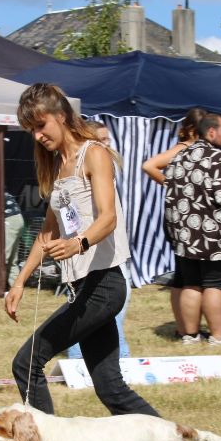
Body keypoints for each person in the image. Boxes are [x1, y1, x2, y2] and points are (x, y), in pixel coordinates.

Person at [0, 83, 163, 441]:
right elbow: (47, 232)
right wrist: (19, 282)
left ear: (61, 115)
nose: (38, 136)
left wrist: (80, 242)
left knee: (27, 362)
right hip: (84, 288)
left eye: (40, 125)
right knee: (111, 389)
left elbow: (107, 217)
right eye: (31, 130)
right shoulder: (58, 167)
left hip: (105, 286)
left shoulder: (95, 155)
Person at [170, 113, 221, 345]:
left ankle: (190, 335)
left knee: (191, 284)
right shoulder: (217, 159)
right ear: (212, 132)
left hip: (185, 234)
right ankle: (218, 336)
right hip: (211, 235)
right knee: (216, 284)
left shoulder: (180, 156)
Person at [67, 120, 131, 359]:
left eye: (107, 140)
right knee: (84, 312)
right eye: (100, 140)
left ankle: (114, 359)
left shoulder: (106, 167)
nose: (106, 145)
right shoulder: (80, 171)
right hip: (88, 254)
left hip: (110, 253)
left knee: (110, 312)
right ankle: (80, 360)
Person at [142, 107, 207, 339]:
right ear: (190, 130)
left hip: (180, 218)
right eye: (201, 131)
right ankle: (188, 329)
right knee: (189, 277)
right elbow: (148, 165)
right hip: (184, 220)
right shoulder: (183, 149)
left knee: (182, 275)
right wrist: (170, 184)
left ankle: (184, 328)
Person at [3, 190, 25, 288]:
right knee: (13, 260)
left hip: (10, 220)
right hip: (19, 220)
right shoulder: (7, 193)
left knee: (4, 257)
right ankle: (16, 288)